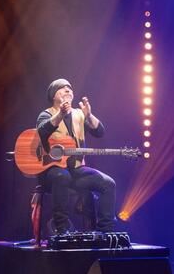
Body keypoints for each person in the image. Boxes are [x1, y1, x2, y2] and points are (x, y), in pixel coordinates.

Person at [37, 78, 118, 233]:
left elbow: (100, 132)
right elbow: (42, 131)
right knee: (62, 176)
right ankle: (61, 228)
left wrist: (89, 116)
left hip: (77, 170)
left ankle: (104, 232)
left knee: (109, 184)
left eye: (70, 88)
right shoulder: (46, 114)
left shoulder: (79, 114)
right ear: (54, 95)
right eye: (63, 88)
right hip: (51, 172)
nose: (68, 90)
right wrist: (60, 113)